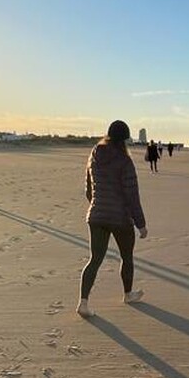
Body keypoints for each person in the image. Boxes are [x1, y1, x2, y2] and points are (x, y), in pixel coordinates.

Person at [78, 120, 148, 317]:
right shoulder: (125, 161)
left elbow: (88, 188)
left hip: (97, 215)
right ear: (124, 139)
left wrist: (98, 205)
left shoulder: (94, 154)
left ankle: (83, 303)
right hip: (120, 218)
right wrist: (141, 224)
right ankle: (127, 294)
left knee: (94, 260)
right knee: (126, 257)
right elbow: (131, 195)